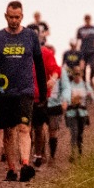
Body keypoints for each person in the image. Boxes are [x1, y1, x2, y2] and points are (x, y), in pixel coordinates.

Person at [0, 0, 48, 182]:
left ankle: (25, 164)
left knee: (24, 128)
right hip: (4, 92)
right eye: (11, 17)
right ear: (6, 16)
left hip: (25, 90)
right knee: (8, 131)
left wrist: (43, 92)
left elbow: (39, 65)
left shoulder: (31, 37)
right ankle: (11, 168)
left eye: (17, 17)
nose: (14, 20)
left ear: (22, 17)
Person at [31, 35, 61, 166]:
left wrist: (53, 79)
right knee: (24, 128)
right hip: (24, 95)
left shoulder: (45, 53)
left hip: (42, 98)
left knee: (41, 128)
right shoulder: (20, 52)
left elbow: (56, 70)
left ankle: (41, 155)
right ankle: (27, 157)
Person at [57, 64, 94, 160]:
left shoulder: (86, 85)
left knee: (80, 134)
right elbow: (64, 98)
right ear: (72, 75)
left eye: (78, 74)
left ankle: (80, 152)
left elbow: (92, 100)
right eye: (75, 74)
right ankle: (73, 153)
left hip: (82, 113)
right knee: (74, 132)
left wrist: (89, 95)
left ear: (82, 74)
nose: (77, 76)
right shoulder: (69, 86)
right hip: (71, 113)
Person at [75, 14, 94, 87]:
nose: (87, 20)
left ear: (90, 20)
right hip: (82, 51)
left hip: (92, 51)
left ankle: (90, 79)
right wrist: (75, 50)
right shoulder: (80, 29)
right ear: (84, 20)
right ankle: (84, 82)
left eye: (88, 19)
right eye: (86, 19)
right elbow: (77, 40)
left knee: (93, 67)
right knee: (83, 68)